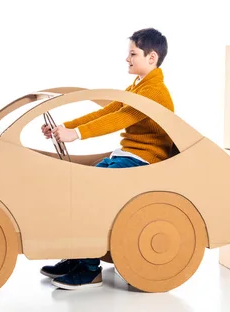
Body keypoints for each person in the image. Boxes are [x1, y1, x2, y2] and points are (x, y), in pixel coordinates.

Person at [39, 27, 175, 290]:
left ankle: (90, 269)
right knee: (80, 186)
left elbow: (119, 119)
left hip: (143, 161)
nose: (127, 59)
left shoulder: (155, 92)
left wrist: (75, 134)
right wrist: (64, 127)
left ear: (152, 57)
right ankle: (77, 259)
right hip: (128, 156)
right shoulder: (139, 86)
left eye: (133, 54)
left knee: (92, 192)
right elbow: (106, 112)